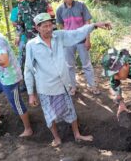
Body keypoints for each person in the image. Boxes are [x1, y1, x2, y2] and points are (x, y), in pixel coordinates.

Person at [24, 13, 111, 147]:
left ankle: (77, 135)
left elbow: (76, 33)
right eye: (45, 26)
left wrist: (93, 26)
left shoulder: (59, 36)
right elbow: (28, 70)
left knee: (70, 110)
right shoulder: (32, 45)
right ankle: (57, 138)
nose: (49, 29)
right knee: (50, 115)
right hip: (46, 87)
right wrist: (31, 93)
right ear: (37, 28)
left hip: (63, 84)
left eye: (50, 25)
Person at [56, 0, 100, 96]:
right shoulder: (60, 9)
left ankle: (92, 86)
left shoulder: (81, 6)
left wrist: (87, 39)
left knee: (86, 64)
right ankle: (73, 86)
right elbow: (61, 26)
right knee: (69, 66)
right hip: (68, 42)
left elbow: (87, 23)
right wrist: (62, 43)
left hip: (81, 40)